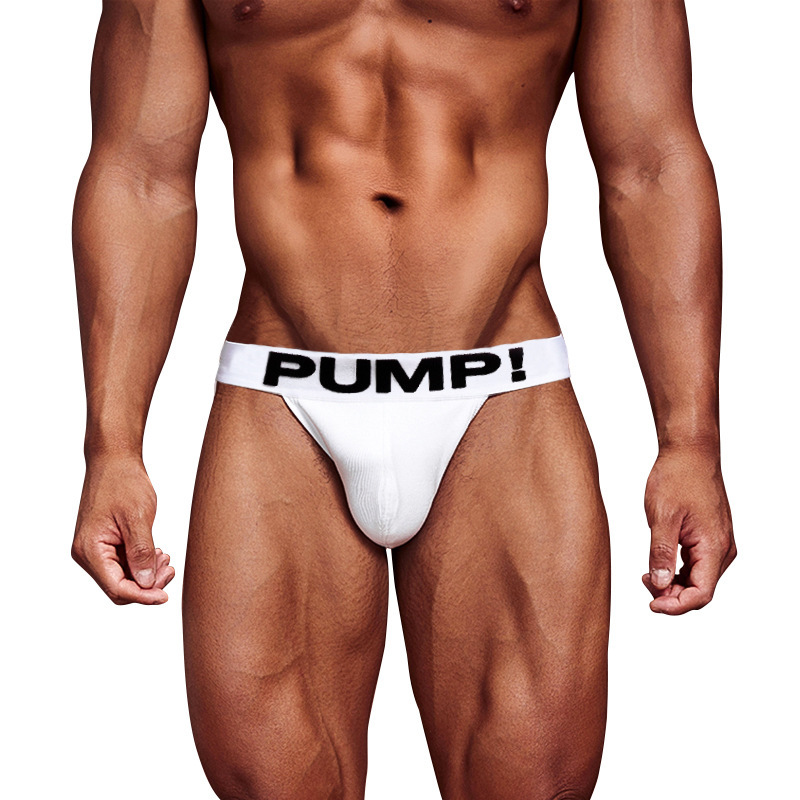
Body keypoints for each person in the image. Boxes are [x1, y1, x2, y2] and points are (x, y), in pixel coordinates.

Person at [70, 1, 736, 798]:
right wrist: (111, 446)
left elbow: (651, 162)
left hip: (502, 395)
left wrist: (691, 443)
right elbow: (140, 171)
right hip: (282, 398)